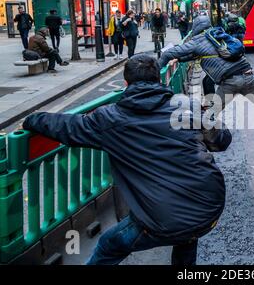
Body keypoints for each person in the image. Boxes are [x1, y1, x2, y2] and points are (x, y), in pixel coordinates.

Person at [22, 54, 231, 265]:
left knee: (109, 245)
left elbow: (67, 127)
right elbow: (222, 140)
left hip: (164, 218)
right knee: (187, 232)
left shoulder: (110, 119)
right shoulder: (187, 107)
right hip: (209, 207)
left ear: (126, 83)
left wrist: (31, 119)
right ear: (159, 80)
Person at [159, 15, 254, 143]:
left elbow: (168, 54)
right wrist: (180, 58)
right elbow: (199, 54)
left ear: (195, 27)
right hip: (248, 76)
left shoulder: (197, 41)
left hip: (229, 82)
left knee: (211, 113)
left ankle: (195, 144)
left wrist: (157, 71)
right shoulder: (218, 35)